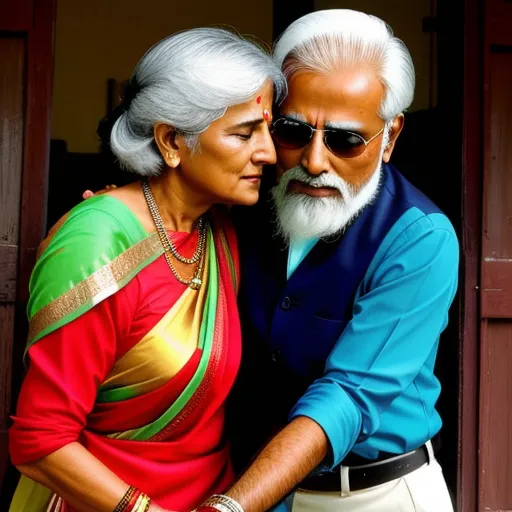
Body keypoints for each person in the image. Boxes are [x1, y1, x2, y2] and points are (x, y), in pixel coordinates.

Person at [8, 27, 286, 512]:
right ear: (171, 140)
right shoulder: (96, 242)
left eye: (267, 130)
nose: (269, 153)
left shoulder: (218, 229)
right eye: (244, 134)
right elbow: (40, 442)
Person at [220, 9, 459, 512]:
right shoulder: (242, 199)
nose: (313, 160)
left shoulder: (420, 238)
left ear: (390, 137)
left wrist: (232, 507)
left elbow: (349, 395)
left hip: (373, 495)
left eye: (345, 139)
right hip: (245, 485)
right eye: (292, 131)